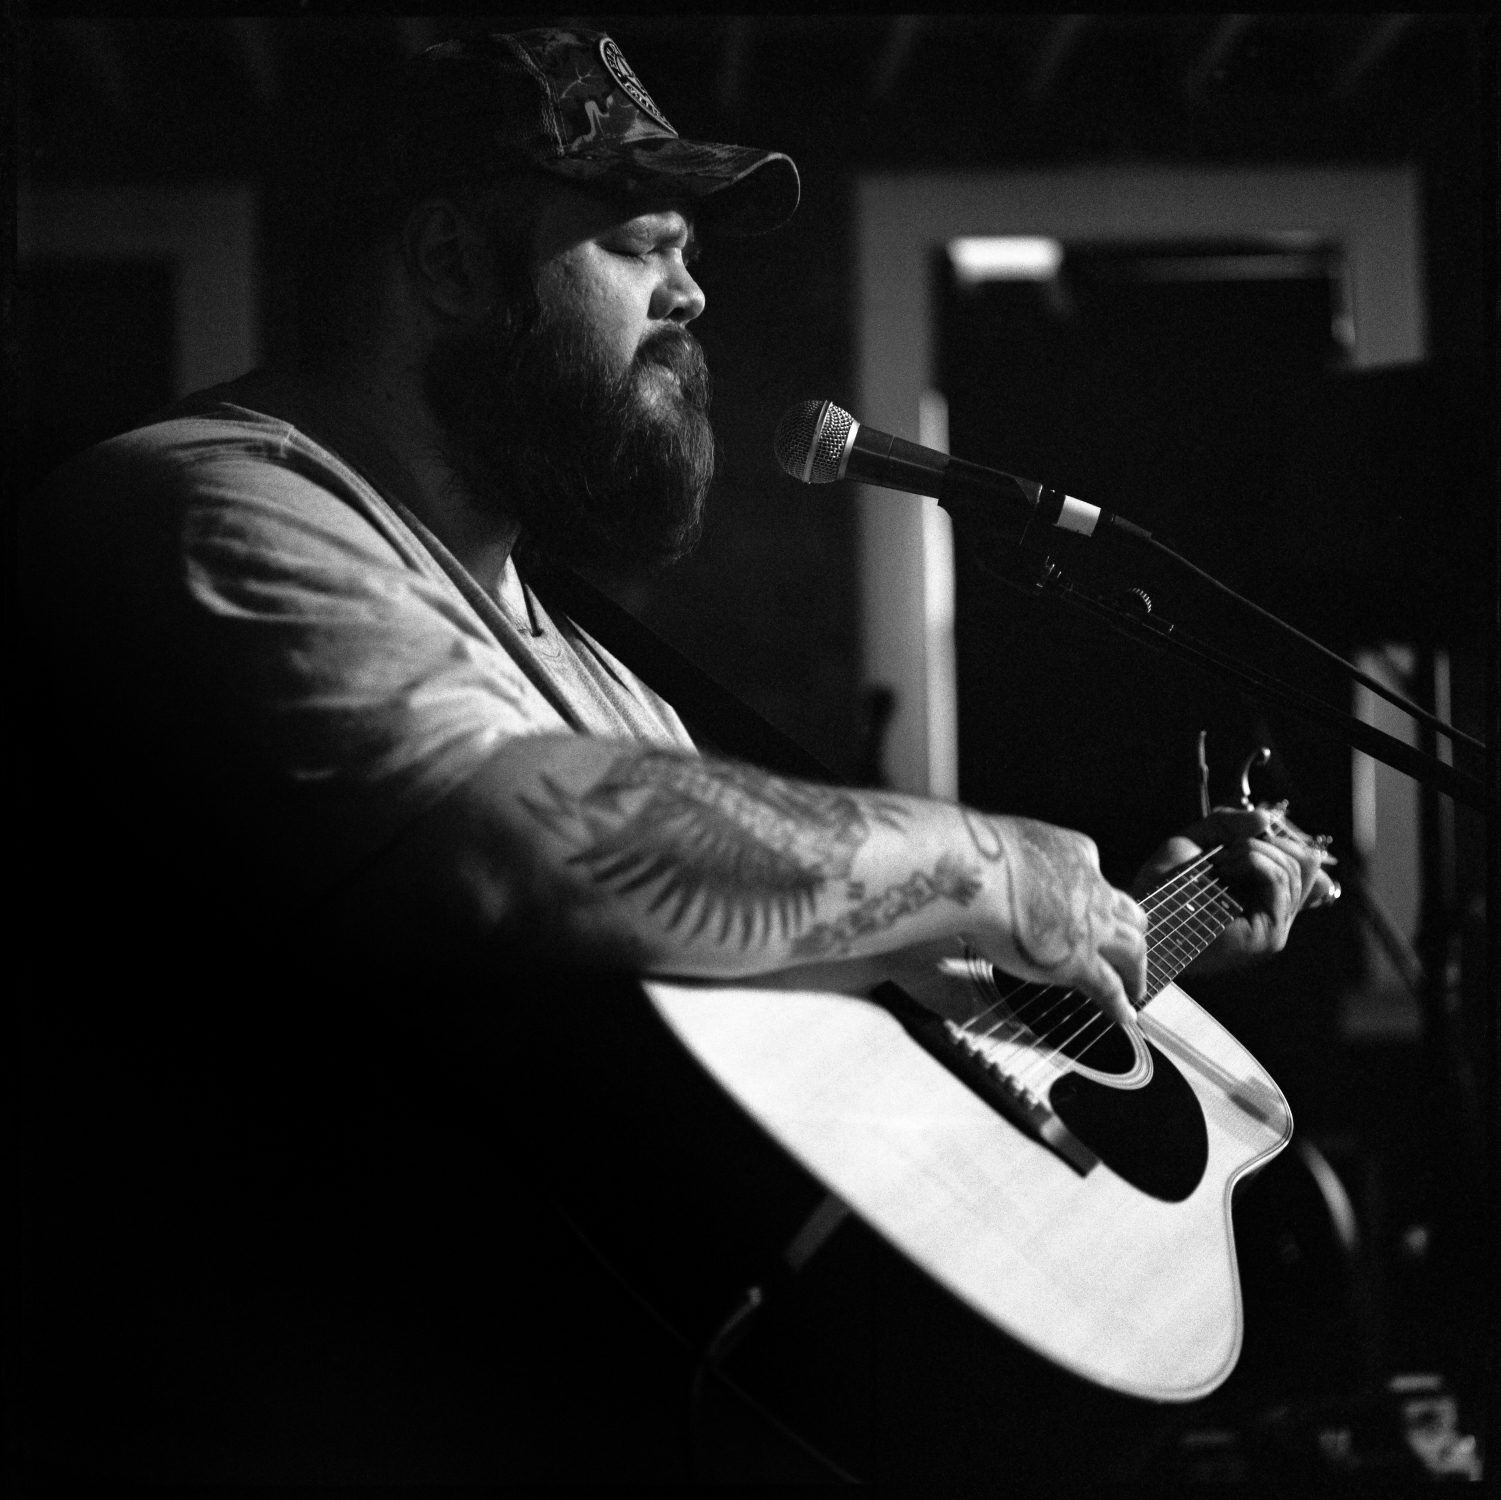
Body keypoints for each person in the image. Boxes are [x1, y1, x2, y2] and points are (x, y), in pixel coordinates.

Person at [14, 28, 1335, 1485]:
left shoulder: (576, 653)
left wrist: (1121, 935)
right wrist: (996, 864)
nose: (693, 292)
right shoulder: (205, 507)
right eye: (642, 244)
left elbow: (806, 1003)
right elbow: (520, 844)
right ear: (453, 265)